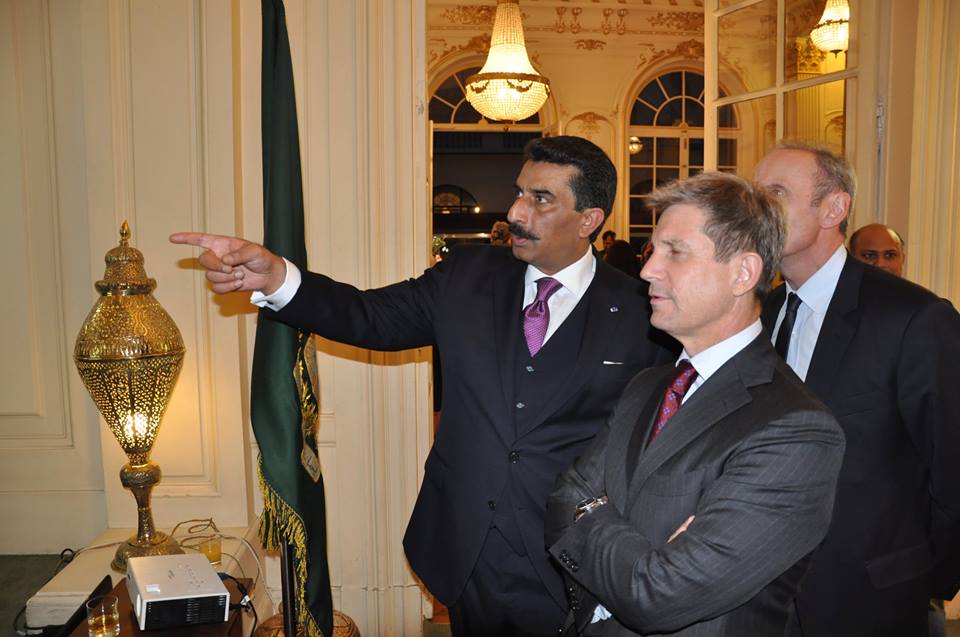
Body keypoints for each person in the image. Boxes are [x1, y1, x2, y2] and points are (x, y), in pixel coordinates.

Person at [171, 135, 673, 637]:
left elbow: (660, 442)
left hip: (570, 557)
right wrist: (276, 278)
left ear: (589, 220)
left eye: (541, 199)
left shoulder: (641, 312)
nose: (517, 212)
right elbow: (368, 316)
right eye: (519, 193)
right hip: (466, 547)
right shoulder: (466, 275)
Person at [545, 172, 845, 636]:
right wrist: (640, 549)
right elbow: (564, 498)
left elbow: (657, 595)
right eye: (653, 250)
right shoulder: (648, 385)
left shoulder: (796, 427)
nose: (648, 269)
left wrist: (593, 512)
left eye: (675, 252)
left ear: (743, 273)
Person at [755, 141, 960, 636]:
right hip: (761, 595)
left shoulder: (913, 318)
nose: (755, 208)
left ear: (834, 208)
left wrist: (923, 578)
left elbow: (952, 467)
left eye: (776, 193)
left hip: (871, 600)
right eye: (754, 193)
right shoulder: (760, 312)